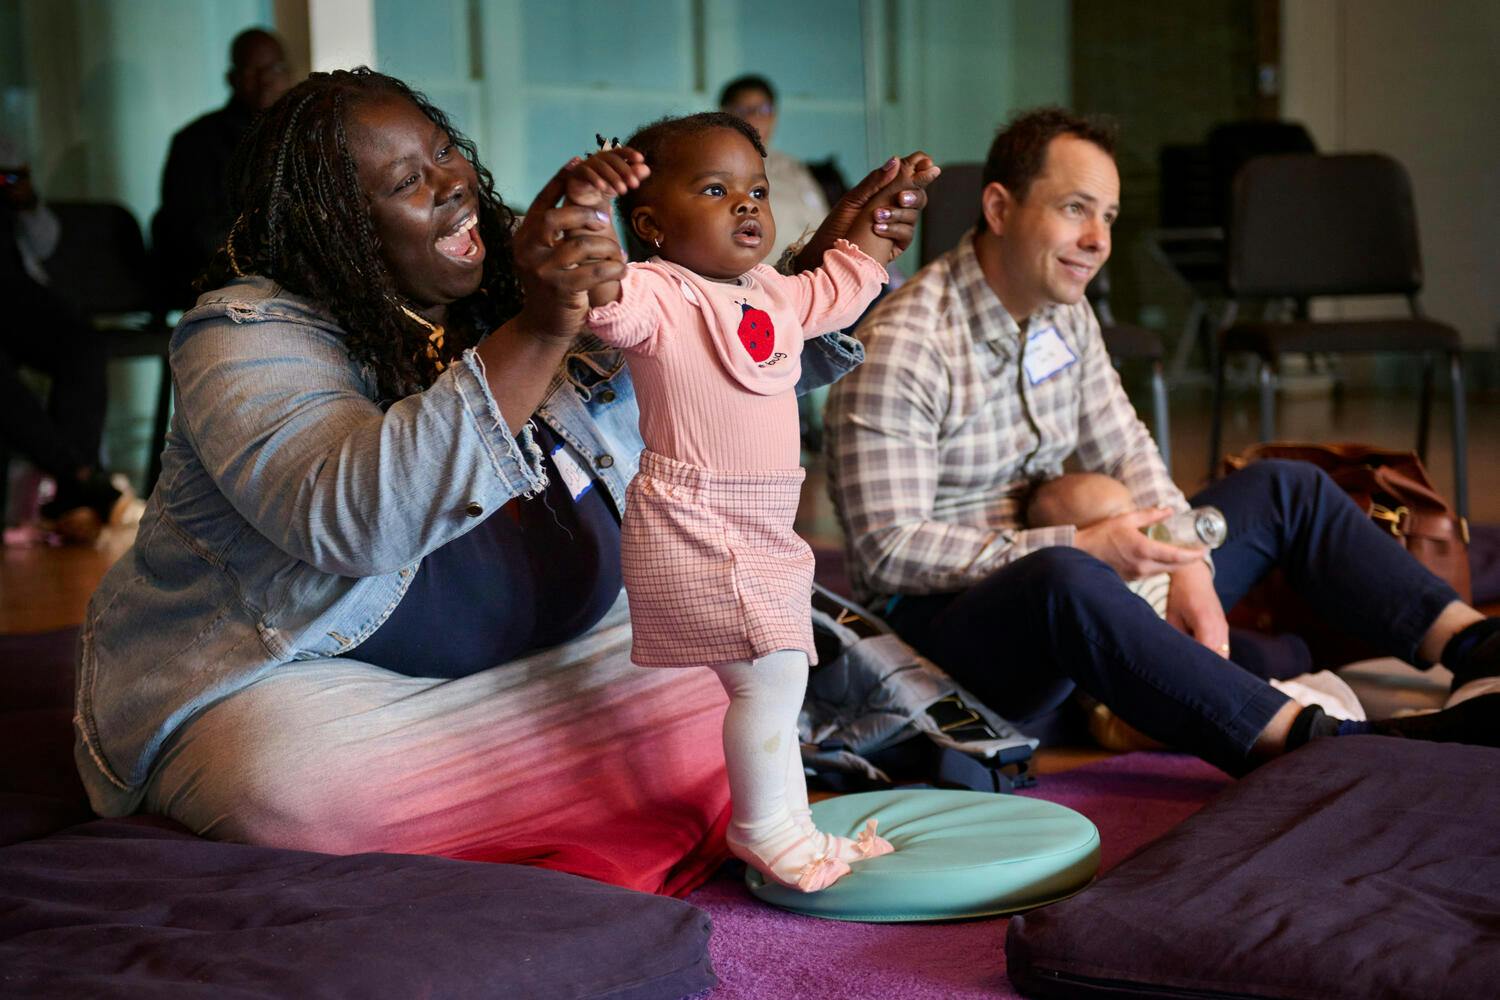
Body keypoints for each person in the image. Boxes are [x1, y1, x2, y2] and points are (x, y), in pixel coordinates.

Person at [74, 68, 933, 897]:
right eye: (409, 181)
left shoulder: (518, 277)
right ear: (331, 223)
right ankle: (630, 788)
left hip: (555, 660)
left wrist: (797, 278)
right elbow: (351, 520)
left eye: (446, 152)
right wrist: (540, 327)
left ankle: (548, 793)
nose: (452, 186)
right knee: (295, 785)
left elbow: (717, 359)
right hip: (329, 691)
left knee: (752, 667)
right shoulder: (243, 335)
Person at [824, 106, 1500, 776]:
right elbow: (889, 552)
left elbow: (1125, 449)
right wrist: (1080, 546)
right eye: (1075, 209)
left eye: (1109, 217)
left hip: (1089, 577)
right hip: (961, 630)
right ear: (1000, 208)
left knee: (1286, 487)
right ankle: (1310, 741)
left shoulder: (1066, 311)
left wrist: (1187, 564)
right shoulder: (903, 345)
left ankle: (1475, 646)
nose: (1098, 239)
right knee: (1070, 578)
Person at [566, 115, 931, 890]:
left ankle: (793, 825)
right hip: (697, 519)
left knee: (778, 675)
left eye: (756, 190)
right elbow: (603, 298)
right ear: (653, 224)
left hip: (765, 523)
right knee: (769, 677)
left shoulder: (768, 289)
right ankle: (767, 829)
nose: (746, 205)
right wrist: (592, 217)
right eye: (715, 189)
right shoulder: (659, 293)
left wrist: (869, 238)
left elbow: (828, 294)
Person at [0, 135, 130, 541]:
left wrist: (26, 200)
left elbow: (45, 243)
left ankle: (77, 490)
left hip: (10, 289)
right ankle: (83, 481)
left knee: (83, 344)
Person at [152, 27, 291, 310]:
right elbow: (197, 233)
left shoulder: (301, 136)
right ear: (232, 78)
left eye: (273, 68)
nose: (265, 80)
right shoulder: (195, 142)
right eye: (253, 70)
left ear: (288, 75)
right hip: (220, 279)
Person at [718, 75, 833, 266]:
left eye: (763, 109)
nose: (754, 118)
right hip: (753, 281)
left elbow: (822, 225)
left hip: (806, 278)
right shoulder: (717, 167)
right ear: (724, 113)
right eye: (743, 110)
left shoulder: (794, 168)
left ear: (774, 115)